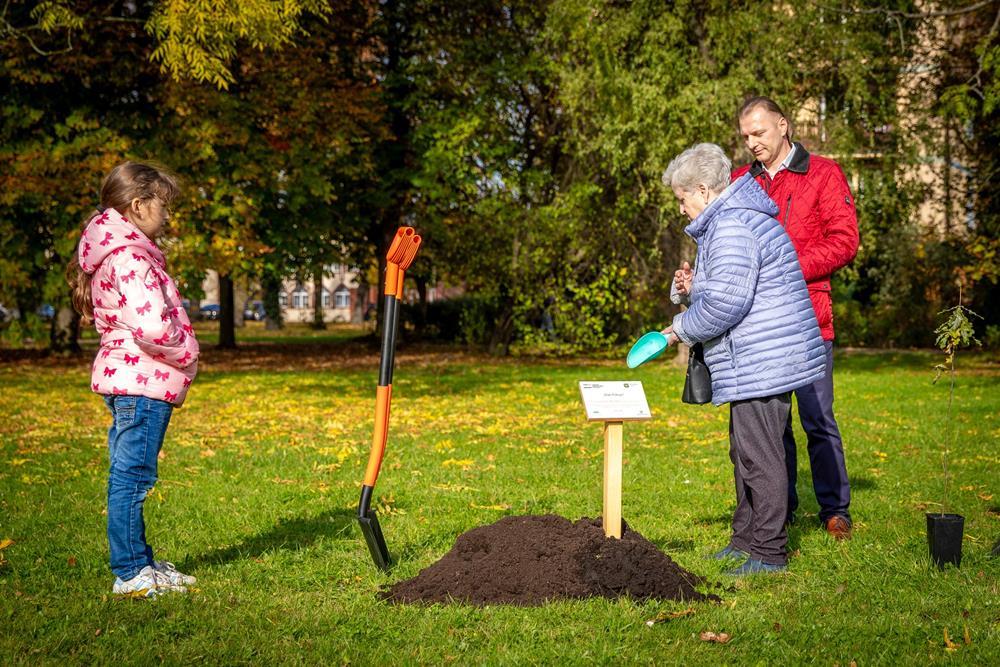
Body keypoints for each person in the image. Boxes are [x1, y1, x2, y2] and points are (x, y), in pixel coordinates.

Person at [661, 143, 827, 575]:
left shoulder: (733, 225)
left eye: (683, 198)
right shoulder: (731, 222)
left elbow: (726, 307)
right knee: (745, 452)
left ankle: (769, 552)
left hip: (763, 359)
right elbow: (725, 291)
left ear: (703, 189)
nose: (681, 208)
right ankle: (744, 540)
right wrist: (690, 288)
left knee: (760, 455)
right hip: (755, 357)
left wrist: (676, 331)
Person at [67, 161, 200, 597]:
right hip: (142, 381)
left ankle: (140, 562)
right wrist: (187, 352)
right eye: (163, 205)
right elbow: (154, 327)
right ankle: (129, 573)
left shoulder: (117, 253)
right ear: (139, 205)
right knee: (133, 478)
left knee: (130, 474)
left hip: (129, 378)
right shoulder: (131, 258)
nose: (168, 215)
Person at [733, 96, 859, 539]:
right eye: (745, 135)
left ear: (783, 126)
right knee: (770, 426)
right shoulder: (739, 181)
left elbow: (845, 241)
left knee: (818, 418)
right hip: (757, 328)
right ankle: (777, 509)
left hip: (809, 321)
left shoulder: (823, 173)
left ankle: (835, 509)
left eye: (759, 132)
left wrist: (788, 264)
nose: (752, 142)